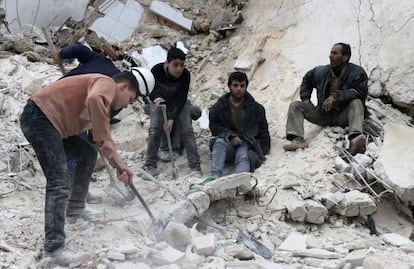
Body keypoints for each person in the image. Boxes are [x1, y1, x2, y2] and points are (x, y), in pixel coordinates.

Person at [19, 68, 155, 266]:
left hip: (53, 124)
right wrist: (108, 145)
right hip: (40, 118)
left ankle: (75, 207)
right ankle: (53, 247)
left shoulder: (102, 105)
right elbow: (94, 101)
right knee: (59, 181)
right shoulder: (106, 83)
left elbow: (100, 141)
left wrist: (120, 166)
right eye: (131, 99)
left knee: (86, 152)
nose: (127, 106)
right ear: (123, 86)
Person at [283, 42, 368, 155]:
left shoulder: (357, 73)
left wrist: (336, 96)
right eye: (330, 53)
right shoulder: (321, 71)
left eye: (335, 53)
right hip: (322, 114)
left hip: (343, 116)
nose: (330, 56)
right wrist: (306, 99)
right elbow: (307, 80)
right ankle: (297, 140)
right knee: (295, 105)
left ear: (345, 57)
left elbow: (360, 92)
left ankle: (355, 138)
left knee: (357, 102)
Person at [142, 47, 202, 176]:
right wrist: (156, 99)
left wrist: (171, 118)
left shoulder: (185, 75)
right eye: (175, 65)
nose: (179, 69)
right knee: (154, 130)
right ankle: (149, 165)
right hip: (159, 102)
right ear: (167, 63)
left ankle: (195, 167)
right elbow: (150, 89)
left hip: (179, 104)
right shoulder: (156, 71)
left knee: (188, 131)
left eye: (181, 65)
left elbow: (182, 98)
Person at [208, 71, 270, 178]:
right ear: (229, 86)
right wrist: (230, 136)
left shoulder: (256, 109)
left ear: (246, 87)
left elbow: (263, 133)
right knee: (219, 142)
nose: (239, 89)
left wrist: (260, 153)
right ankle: (215, 176)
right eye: (235, 85)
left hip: (245, 144)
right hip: (227, 145)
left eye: (242, 86)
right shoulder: (219, 108)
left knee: (242, 156)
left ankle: (239, 180)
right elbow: (215, 128)